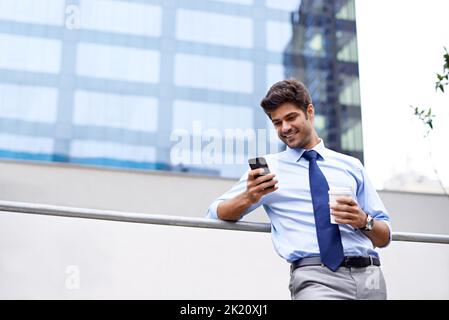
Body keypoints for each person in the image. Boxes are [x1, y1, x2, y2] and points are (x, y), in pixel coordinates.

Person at [206, 79, 392, 300]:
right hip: (316, 279)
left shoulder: (351, 166)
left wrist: (363, 220)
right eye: (277, 123)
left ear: (309, 111)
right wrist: (248, 198)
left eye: (291, 117)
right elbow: (213, 214)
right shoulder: (268, 170)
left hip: (371, 277)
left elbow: (384, 237)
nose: (285, 128)